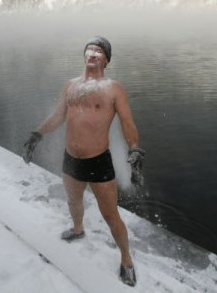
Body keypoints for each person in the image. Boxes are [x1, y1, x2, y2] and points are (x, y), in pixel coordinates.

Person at [22, 36, 145, 287]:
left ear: (107, 60)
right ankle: (78, 229)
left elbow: (127, 122)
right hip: (71, 160)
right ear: (84, 54)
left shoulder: (114, 88)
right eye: (90, 49)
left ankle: (126, 259)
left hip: (98, 161)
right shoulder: (70, 86)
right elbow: (58, 116)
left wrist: (135, 149)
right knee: (73, 200)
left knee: (110, 214)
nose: (93, 53)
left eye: (99, 51)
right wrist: (38, 134)